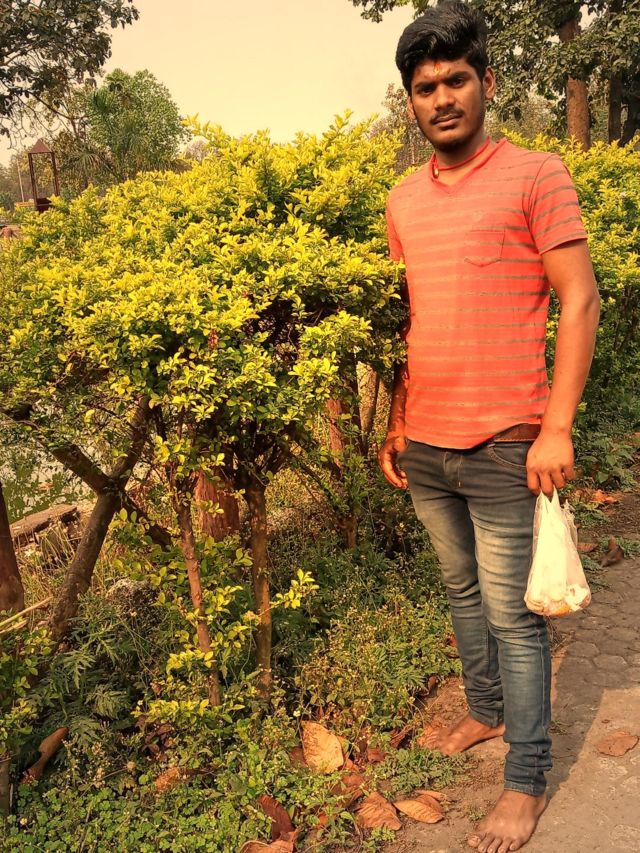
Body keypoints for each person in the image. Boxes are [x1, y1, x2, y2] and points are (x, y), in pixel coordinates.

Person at [379, 2, 600, 851]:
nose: (442, 98)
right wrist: (399, 420)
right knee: (461, 591)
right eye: (425, 86)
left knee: (514, 616)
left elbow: (579, 298)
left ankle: (526, 779)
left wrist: (557, 427)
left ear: (487, 83)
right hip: (427, 445)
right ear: (410, 100)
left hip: (509, 440)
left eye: (456, 80)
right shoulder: (402, 200)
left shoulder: (537, 175)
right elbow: (408, 320)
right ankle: (485, 709)